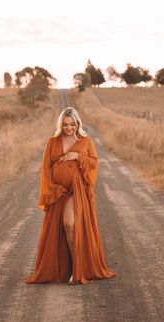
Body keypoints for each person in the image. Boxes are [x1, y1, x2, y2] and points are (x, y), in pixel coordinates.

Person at [25, 106, 117, 285]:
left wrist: (77, 156)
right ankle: (73, 269)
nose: (69, 128)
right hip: (59, 190)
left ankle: (77, 270)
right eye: (65, 125)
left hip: (78, 190)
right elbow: (46, 168)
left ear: (77, 124)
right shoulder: (52, 142)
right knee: (63, 229)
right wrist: (53, 188)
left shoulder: (86, 141)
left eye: (72, 124)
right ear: (61, 125)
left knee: (69, 223)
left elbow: (94, 163)